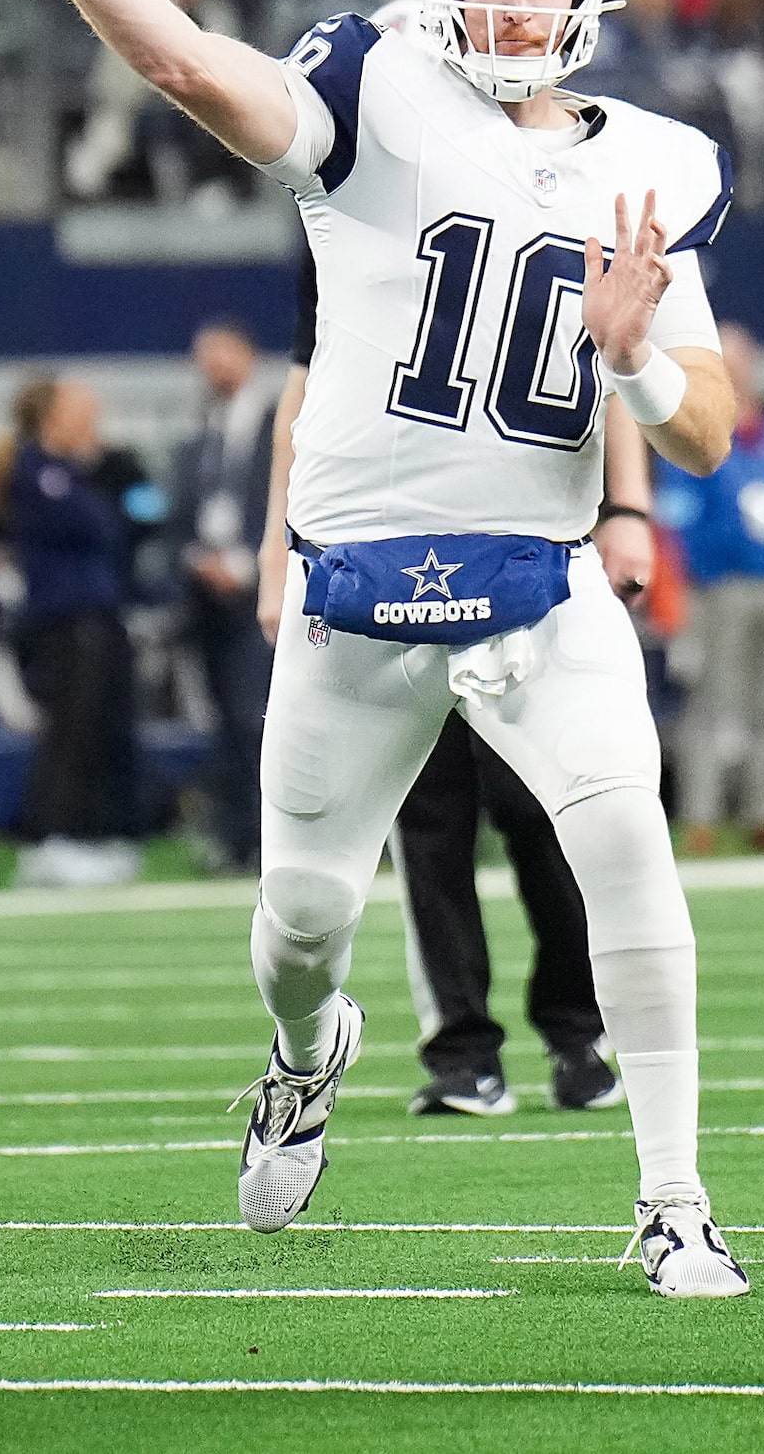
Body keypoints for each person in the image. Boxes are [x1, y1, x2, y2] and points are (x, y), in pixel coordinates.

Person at [0, 0, 753, 1296]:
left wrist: (634, 356)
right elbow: (183, 62)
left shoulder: (661, 159)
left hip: (537, 585)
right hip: (355, 599)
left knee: (626, 840)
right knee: (301, 925)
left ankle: (673, 1196)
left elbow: (705, 420)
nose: (514, 3)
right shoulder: (371, 85)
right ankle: (311, 1055)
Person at [257, 241, 634, 1120]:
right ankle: (462, 1050)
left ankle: (577, 1033)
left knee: (546, 813)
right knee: (427, 828)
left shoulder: (536, 200)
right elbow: (304, 395)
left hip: (514, 566)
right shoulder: (348, 202)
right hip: (389, 569)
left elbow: (609, 375)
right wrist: (280, 561)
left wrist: (626, 511)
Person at [663, 325, 764, 853]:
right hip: (718, 586)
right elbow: (676, 513)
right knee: (712, 700)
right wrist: (682, 585)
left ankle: (763, 812)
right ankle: (701, 815)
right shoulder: (696, 428)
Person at [0, 376, 142, 887]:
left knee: (97, 729)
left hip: (95, 617)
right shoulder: (38, 470)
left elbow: (134, 517)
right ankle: (48, 840)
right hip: (64, 621)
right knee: (69, 731)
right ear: (51, 417)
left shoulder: (75, 472)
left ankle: (85, 835)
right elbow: (102, 527)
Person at [168, 321, 277, 874]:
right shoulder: (201, 431)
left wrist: (245, 563)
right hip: (208, 600)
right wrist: (196, 559)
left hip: (262, 594)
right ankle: (237, 838)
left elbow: (283, 499)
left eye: (222, 355)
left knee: (259, 719)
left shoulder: (280, 421)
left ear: (248, 355)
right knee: (226, 723)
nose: (213, 368)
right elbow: (185, 513)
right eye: (203, 358)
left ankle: (270, 840)